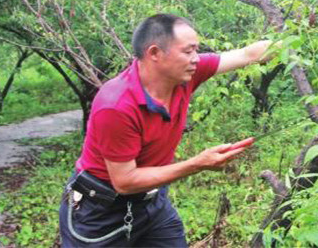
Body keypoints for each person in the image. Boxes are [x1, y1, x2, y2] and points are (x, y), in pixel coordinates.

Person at [58, 14, 274, 247]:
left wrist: (297, 40)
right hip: (100, 210)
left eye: (196, 51)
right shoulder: (116, 105)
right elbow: (125, 181)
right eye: (188, 51)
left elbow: (247, 55)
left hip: (151, 202)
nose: (196, 59)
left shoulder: (185, 75)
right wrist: (198, 164)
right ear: (154, 53)